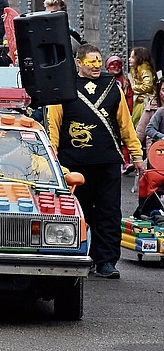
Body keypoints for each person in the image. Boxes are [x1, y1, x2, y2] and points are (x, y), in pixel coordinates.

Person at [47, 43, 144, 278]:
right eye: (91, 62)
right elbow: (53, 126)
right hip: (74, 164)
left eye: (99, 61)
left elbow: (125, 125)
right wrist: (52, 159)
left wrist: (136, 154)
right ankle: (84, 255)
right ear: (79, 63)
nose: (96, 66)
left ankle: (106, 261)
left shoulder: (113, 86)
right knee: (80, 212)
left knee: (109, 212)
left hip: (107, 161)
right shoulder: (64, 87)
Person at [129, 46, 155, 127]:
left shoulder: (144, 69)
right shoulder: (135, 70)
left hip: (146, 102)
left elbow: (148, 85)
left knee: (141, 123)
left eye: (132, 57)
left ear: (139, 58)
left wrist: (133, 88)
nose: (129, 59)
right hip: (140, 100)